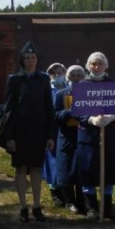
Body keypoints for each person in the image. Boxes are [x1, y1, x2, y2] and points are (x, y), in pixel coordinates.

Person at [3, 42, 56, 223]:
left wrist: (50, 135)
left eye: (33, 57)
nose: (30, 61)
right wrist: (9, 136)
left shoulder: (43, 79)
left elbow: (49, 108)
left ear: (37, 59)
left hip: (39, 132)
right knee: (21, 168)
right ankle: (23, 207)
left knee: (36, 168)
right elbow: (8, 110)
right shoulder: (15, 80)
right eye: (27, 57)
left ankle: (36, 206)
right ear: (22, 60)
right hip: (20, 132)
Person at [77, 52, 115, 219]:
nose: (96, 67)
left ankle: (107, 207)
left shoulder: (113, 85)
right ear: (88, 65)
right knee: (89, 171)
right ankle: (91, 208)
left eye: (99, 64)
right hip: (88, 136)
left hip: (108, 135)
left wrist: (112, 116)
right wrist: (90, 119)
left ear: (106, 65)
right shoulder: (82, 86)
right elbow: (77, 111)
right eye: (93, 64)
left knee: (107, 171)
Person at [54, 65, 87, 213]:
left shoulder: (88, 93)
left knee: (81, 170)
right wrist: (69, 112)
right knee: (66, 170)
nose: (76, 78)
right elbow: (55, 116)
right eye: (73, 75)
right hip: (66, 137)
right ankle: (69, 201)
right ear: (68, 77)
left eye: (79, 75)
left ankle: (82, 201)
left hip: (83, 135)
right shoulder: (61, 94)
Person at [42, 62, 67, 207]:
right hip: (51, 130)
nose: (57, 75)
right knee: (51, 160)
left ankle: (66, 189)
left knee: (65, 160)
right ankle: (55, 191)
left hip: (66, 130)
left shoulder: (68, 90)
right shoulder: (46, 90)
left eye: (60, 72)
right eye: (53, 73)